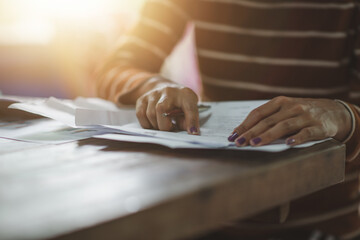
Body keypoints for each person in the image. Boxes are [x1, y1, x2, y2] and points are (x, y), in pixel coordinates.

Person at [97, 0, 360, 238]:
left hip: (323, 223)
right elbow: (116, 67)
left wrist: (345, 116)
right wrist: (152, 87)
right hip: (208, 213)